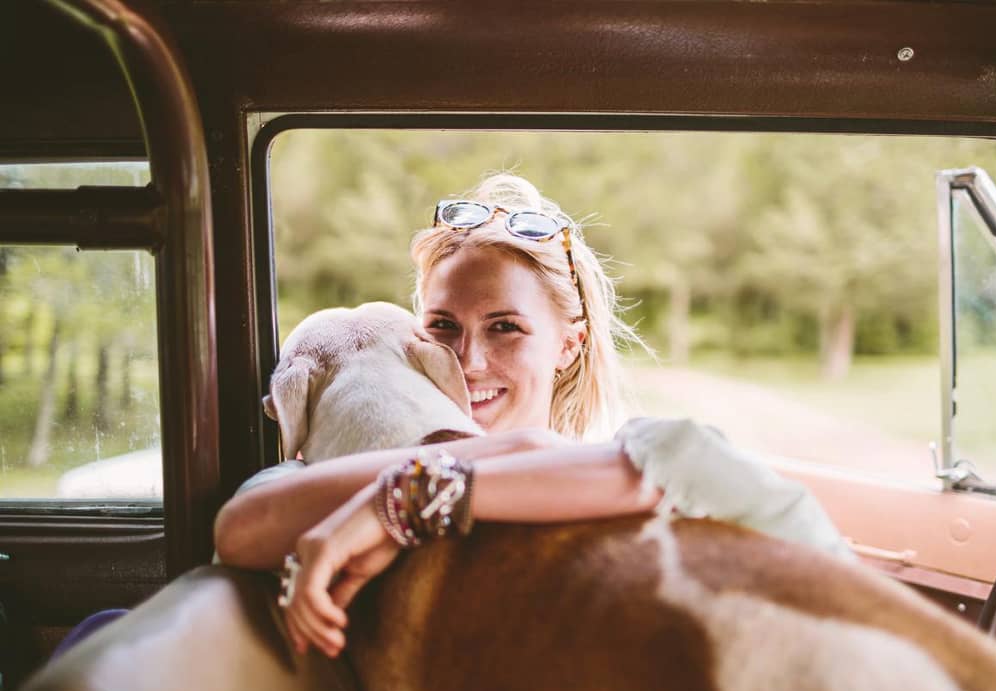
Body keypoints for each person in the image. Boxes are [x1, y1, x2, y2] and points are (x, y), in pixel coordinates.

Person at [213, 173, 849, 659]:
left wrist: (407, 498)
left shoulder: (630, 464)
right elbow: (247, 525)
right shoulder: (362, 462)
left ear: (568, 344)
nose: (468, 361)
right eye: (442, 326)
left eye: (506, 327)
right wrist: (410, 481)